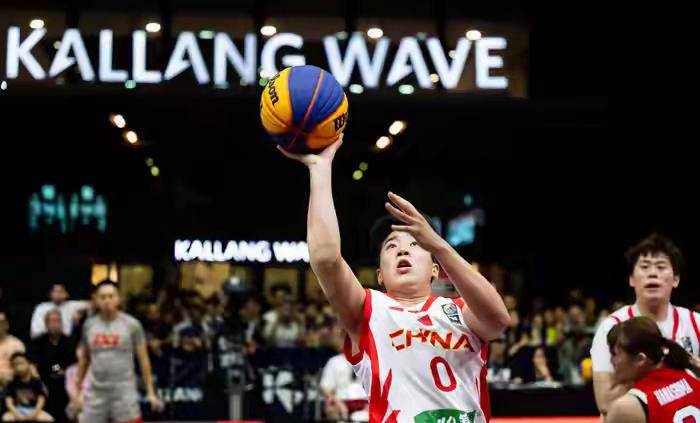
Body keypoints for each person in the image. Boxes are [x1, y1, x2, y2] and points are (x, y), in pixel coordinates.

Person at [278, 137, 510, 422]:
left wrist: (439, 245)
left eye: (415, 244)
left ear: (435, 269)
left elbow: (499, 320)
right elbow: (326, 259)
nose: (402, 249)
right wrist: (320, 169)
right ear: (380, 275)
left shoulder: (461, 311)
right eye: (391, 246)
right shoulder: (368, 310)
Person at [590, 234, 700, 418]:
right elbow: (604, 403)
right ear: (631, 279)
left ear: (675, 279)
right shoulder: (610, 327)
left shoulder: (695, 323)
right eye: (645, 266)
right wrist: (657, 373)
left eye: (661, 266)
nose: (652, 273)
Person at [73, 280, 163, 423]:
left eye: (111, 296)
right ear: (96, 300)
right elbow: (84, 359)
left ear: (118, 299)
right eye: (103, 297)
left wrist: (150, 392)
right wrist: (77, 391)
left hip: (124, 391)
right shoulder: (89, 325)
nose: (107, 301)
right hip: (96, 392)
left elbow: (144, 360)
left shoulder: (132, 325)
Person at [606, 316, 700, 423]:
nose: (612, 361)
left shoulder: (625, 408)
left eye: (615, 354)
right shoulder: (691, 376)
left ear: (640, 359)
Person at [29, 309, 76, 423]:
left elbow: (72, 363)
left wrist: (60, 370)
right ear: (46, 324)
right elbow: (35, 363)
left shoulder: (69, 341)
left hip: (66, 382)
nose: (54, 324)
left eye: (57, 320)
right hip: (44, 382)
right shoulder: (38, 342)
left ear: (62, 323)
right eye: (51, 321)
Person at [2, 352, 54, 422]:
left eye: (20, 363)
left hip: (35, 410)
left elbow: (41, 400)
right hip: (17, 409)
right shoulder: (12, 383)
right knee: (6, 418)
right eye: (14, 365)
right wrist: (16, 414)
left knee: (48, 419)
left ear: (28, 363)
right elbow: (9, 402)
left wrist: (34, 413)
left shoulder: (37, 382)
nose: (18, 367)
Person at [0, 312, 25, 386]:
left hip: (11, 384)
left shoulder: (16, 344)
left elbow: (22, 369)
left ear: (6, 325)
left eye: (1, 322)